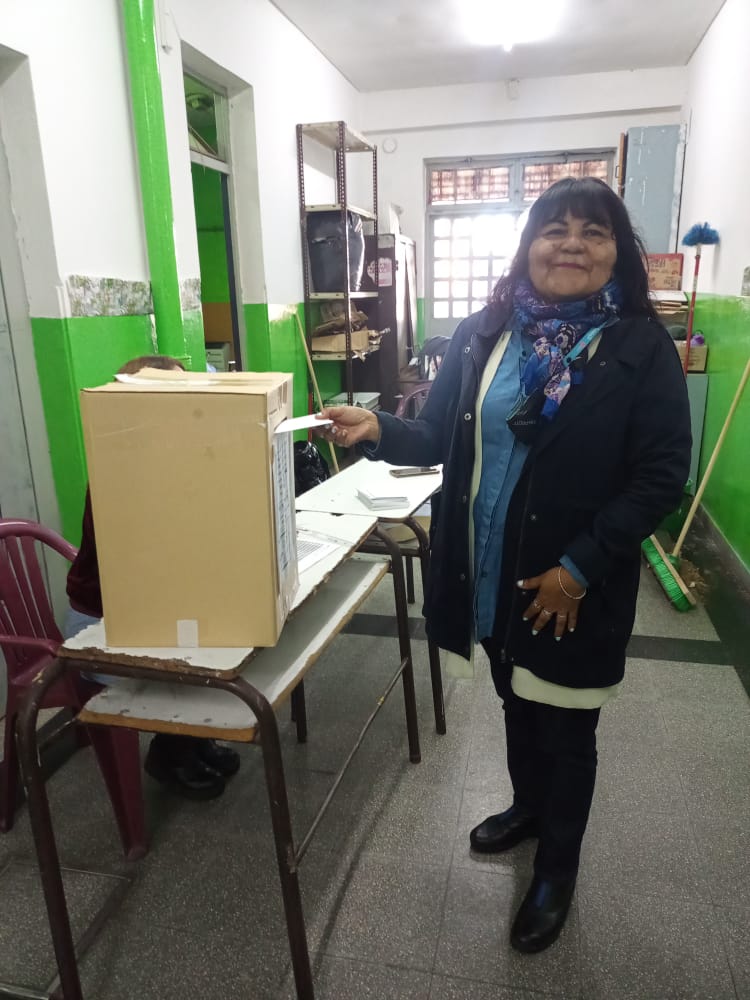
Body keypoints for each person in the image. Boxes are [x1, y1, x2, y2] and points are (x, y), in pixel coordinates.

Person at [318, 178, 691, 953]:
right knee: (515, 700)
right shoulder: (485, 333)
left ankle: (557, 871)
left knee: (568, 731)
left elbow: (659, 477)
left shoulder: (638, 348)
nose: (572, 244)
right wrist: (376, 428)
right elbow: (437, 437)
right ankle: (528, 809)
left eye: (593, 232)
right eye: (555, 229)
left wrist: (579, 568)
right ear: (528, 246)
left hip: (572, 586)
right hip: (487, 569)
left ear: (617, 254)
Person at [66, 355, 241, 800]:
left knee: (217, 626)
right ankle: (171, 751)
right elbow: (151, 567)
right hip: (104, 625)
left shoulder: (168, 461)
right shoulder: (121, 472)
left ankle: (192, 740)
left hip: (146, 608)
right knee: (202, 640)